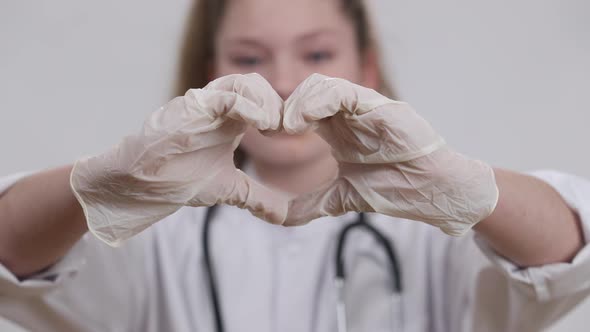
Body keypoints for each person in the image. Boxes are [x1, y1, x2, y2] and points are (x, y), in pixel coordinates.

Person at [1, 0, 589, 331]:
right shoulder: (151, 233)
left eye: (316, 54)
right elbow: (13, 264)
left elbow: (568, 260)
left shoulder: (435, 229)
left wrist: (469, 187)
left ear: (367, 66)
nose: (283, 81)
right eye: (249, 57)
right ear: (211, 70)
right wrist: (96, 186)